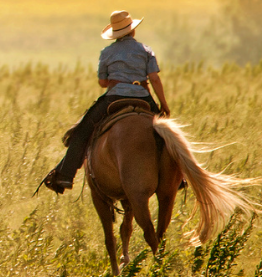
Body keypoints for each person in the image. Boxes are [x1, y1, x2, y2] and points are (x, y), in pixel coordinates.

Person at [44, 10, 171, 194]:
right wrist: (163, 105)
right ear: (132, 30)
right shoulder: (146, 50)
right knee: (169, 137)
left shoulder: (107, 52)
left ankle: (65, 175)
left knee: (82, 131)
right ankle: (179, 178)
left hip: (114, 98)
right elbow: (155, 79)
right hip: (143, 97)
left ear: (115, 33)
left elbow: (103, 82)